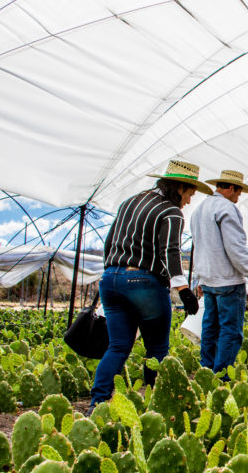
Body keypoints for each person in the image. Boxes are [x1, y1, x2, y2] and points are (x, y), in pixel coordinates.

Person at [89, 159, 209, 410]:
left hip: (110, 279)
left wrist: (112, 272)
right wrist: (183, 288)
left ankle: (97, 404)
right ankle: (155, 406)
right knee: (156, 348)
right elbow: (171, 251)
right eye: (189, 194)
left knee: (118, 346)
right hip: (144, 282)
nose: (188, 201)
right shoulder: (171, 212)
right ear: (180, 187)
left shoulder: (129, 202)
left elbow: (109, 242)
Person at [190, 170, 248, 378]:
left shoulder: (199, 209)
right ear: (230, 188)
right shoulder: (227, 208)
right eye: (238, 193)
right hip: (228, 280)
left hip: (208, 280)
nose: (238, 198)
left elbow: (199, 246)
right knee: (230, 330)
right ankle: (221, 376)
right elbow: (235, 247)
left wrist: (199, 278)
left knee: (210, 327)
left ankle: (206, 371)